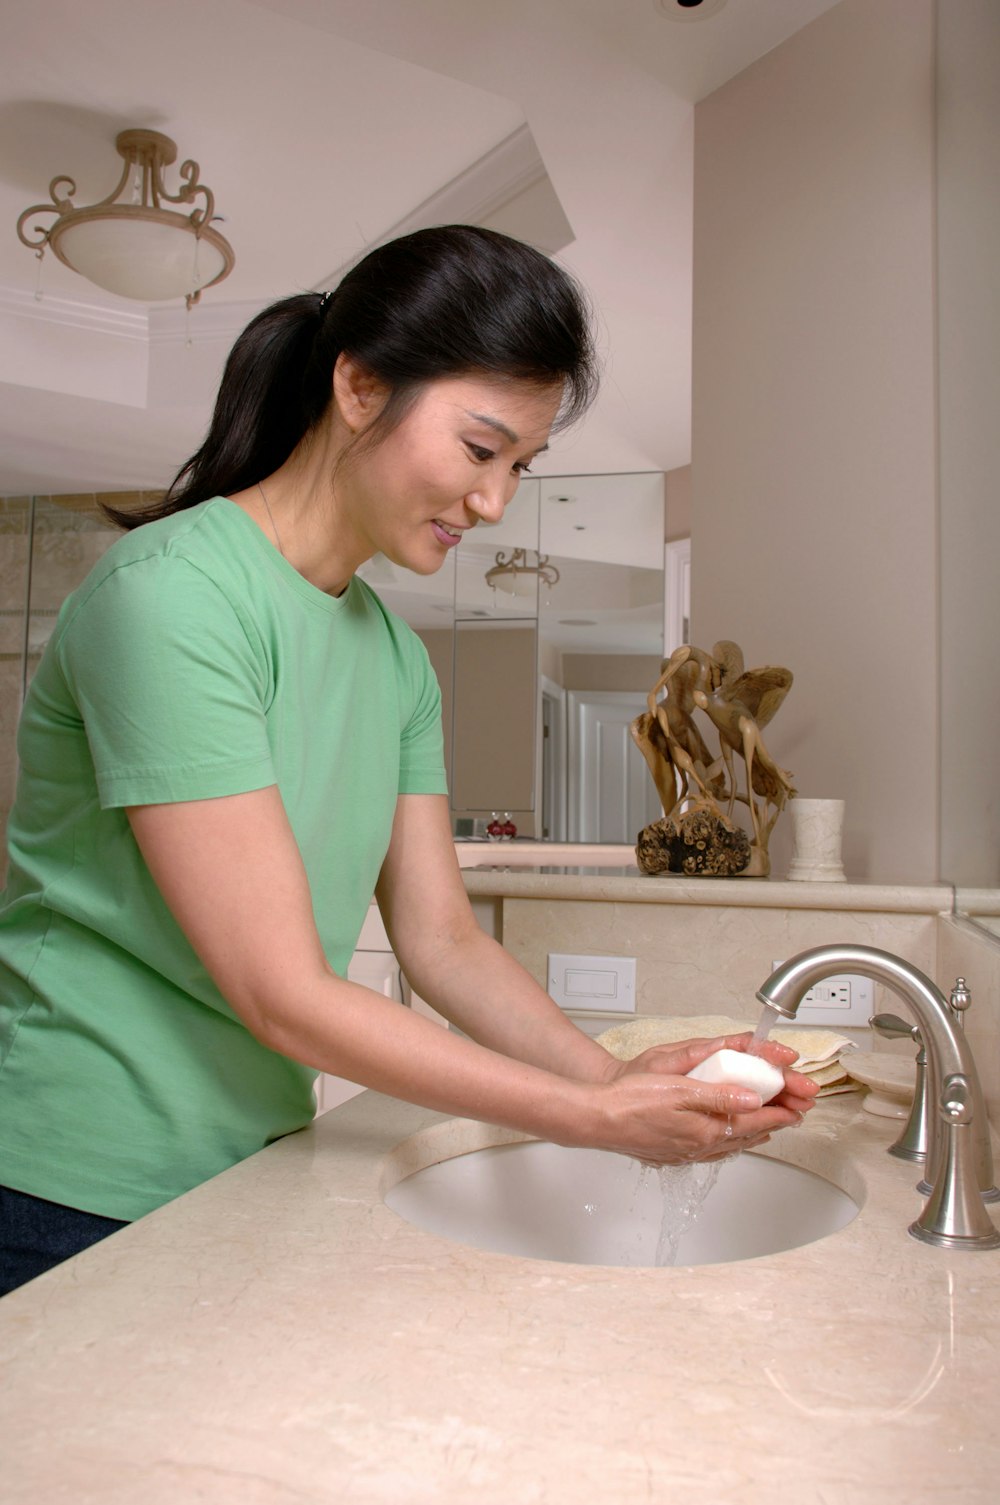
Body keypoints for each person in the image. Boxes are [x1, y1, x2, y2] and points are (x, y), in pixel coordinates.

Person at [0, 225, 817, 1296]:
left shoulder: (394, 656)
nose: (492, 503)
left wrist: (612, 1073)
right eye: (480, 450)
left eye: (520, 465)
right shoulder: (172, 598)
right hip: (70, 1179)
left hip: (248, 1158)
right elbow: (280, 988)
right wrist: (591, 1116)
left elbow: (440, 941)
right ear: (358, 386)